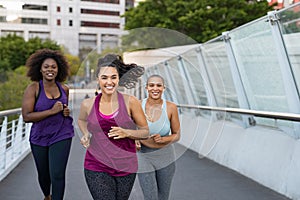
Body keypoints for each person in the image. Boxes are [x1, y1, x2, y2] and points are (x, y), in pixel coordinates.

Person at [77, 53, 149, 200]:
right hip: (96, 165)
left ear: (119, 78)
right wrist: (85, 133)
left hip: (126, 166)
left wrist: (127, 133)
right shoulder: (88, 104)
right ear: (97, 79)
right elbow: (82, 120)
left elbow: (145, 132)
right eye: (104, 77)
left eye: (113, 77)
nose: (109, 82)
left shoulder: (131, 102)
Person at [21, 49, 74, 200]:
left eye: (53, 67)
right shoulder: (33, 89)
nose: (50, 70)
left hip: (62, 134)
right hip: (40, 136)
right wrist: (51, 111)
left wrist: (65, 111)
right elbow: (26, 116)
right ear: (40, 68)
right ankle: (47, 196)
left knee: (57, 174)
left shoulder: (64, 89)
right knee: (44, 176)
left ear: (59, 69)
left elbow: (63, 108)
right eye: (46, 67)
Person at [136, 74, 181, 200]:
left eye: (158, 85)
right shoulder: (137, 106)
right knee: (150, 197)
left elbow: (177, 135)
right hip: (144, 155)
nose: (155, 88)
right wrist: (135, 139)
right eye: (151, 85)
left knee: (163, 197)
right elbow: (130, 129)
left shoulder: (171, 107)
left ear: (163, 88)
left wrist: (163, 139)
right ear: (146, 88)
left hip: (165, 156)